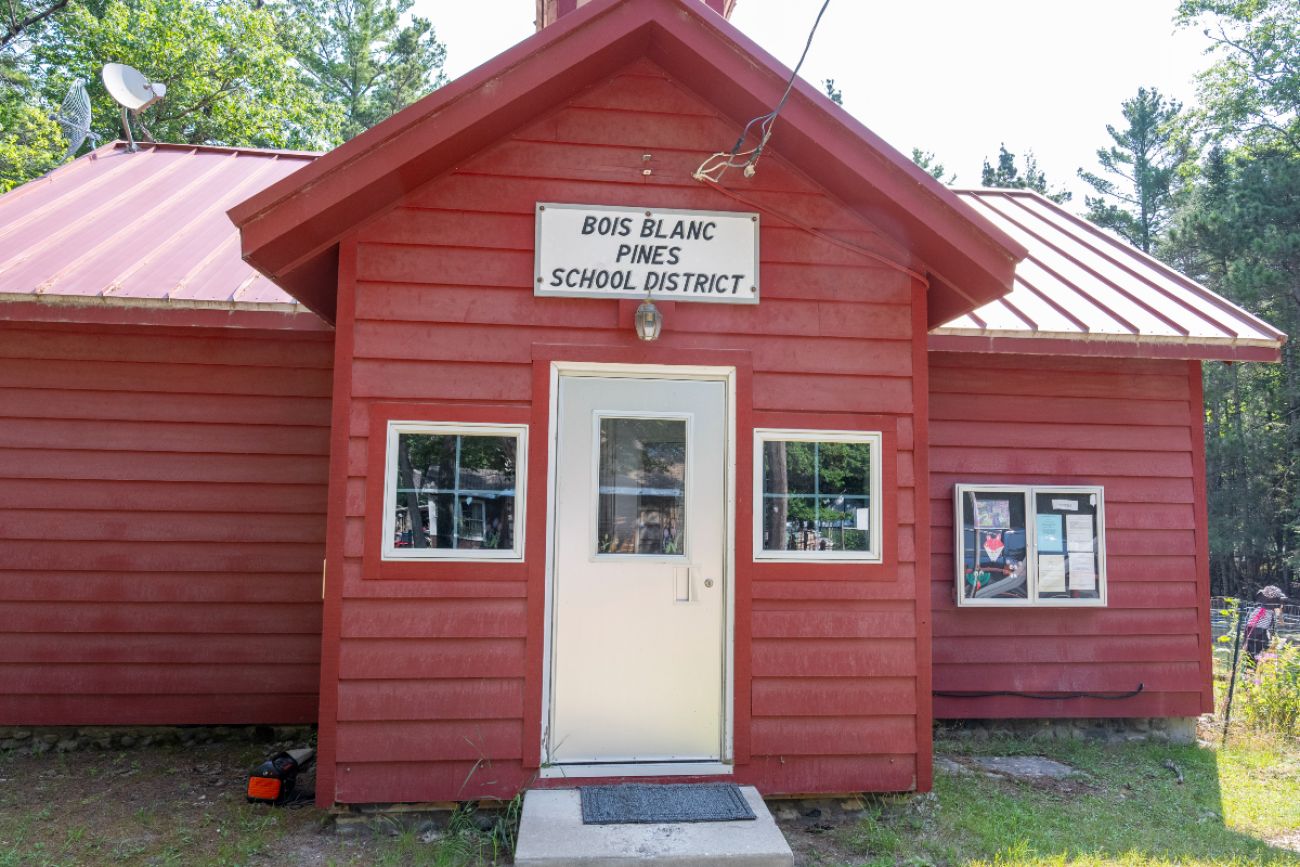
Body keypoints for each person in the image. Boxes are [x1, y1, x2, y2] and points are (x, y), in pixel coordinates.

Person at [1244, 585, 1288, 662]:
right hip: (1258, 632)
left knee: (1252, 655)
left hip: (1250, 631)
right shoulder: (1269, 611)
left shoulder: (1261, 609)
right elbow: (1281, 622)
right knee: (1260, 653)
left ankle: (1251, 669)